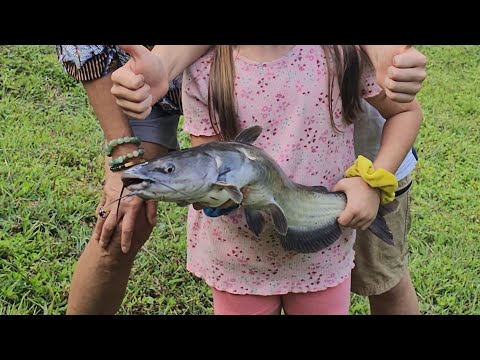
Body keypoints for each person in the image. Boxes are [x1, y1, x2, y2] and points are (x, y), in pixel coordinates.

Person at [113, 45, 427, 315]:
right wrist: (210, 199)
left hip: (321, 260)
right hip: (236, 261)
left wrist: (372, 183)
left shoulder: (343, 54)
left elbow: (405, 112)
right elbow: (204, 158)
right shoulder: (204, 70)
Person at [56, 45, 209, 314]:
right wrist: (124, 155)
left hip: (240, 67)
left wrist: (165, 61)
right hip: (140, 82)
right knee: (123, 215)